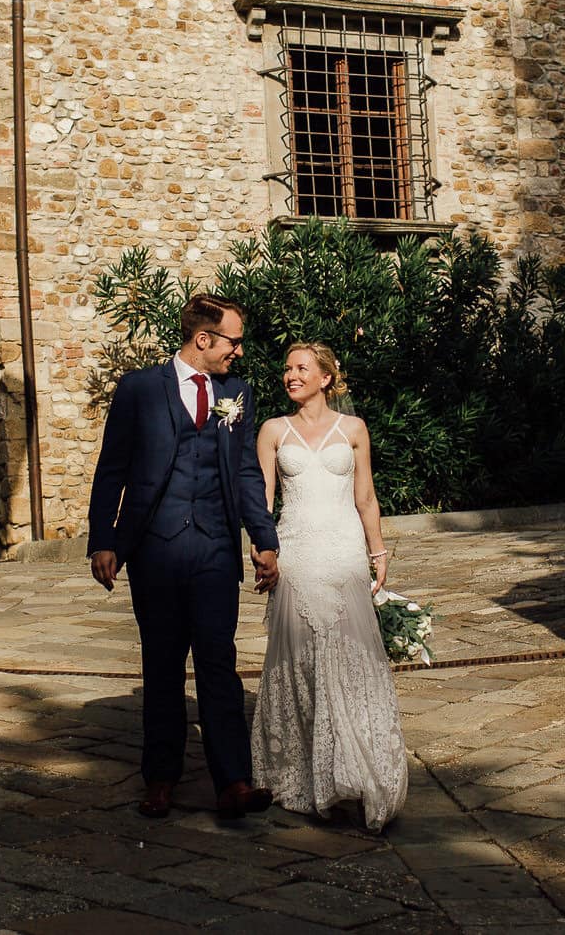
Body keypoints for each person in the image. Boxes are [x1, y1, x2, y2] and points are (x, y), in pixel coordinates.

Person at [86, 293, 282, 820]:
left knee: (219, 662)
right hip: (155, 549)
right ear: (204, 339)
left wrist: (264, 539)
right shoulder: (139, 389)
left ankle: (233, 782)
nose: (238, 353)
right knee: (163, 665)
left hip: (216, 548)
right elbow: (113, 469)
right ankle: (161, 780)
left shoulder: (236, 393)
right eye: (232, 342)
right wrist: (103, 540)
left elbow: (245, 473)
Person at [249, 343, 408, 830]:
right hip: (295, 556)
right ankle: (305, 772)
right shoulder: (273, 431)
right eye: (287, 369)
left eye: (300, 369)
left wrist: (377, 552)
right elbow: (262, 500)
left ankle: (361, 769)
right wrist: (261, 552)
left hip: (343, 554)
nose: (290, 375)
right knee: (300, 661)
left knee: (352, 658)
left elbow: (366, 499)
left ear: (325, 378)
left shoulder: (353, 429)